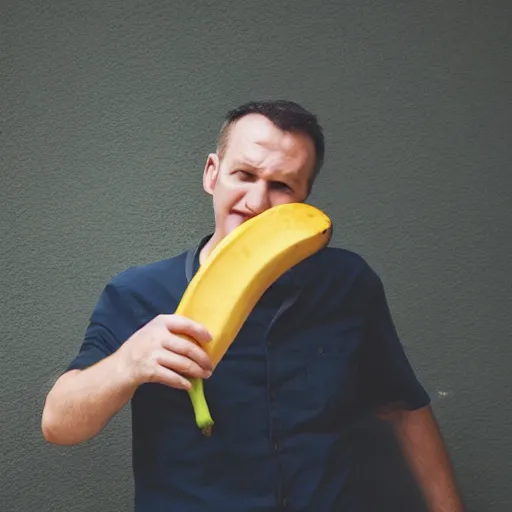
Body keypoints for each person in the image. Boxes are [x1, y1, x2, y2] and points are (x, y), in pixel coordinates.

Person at [42, 100, 465, 511]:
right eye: (244, 174)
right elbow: (59, 424)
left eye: (282, 186)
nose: (256, 203)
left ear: (304, 199)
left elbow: (404, 408)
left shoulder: (348, 284)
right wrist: (127, 363)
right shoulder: (139, 292)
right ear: (212, 173)